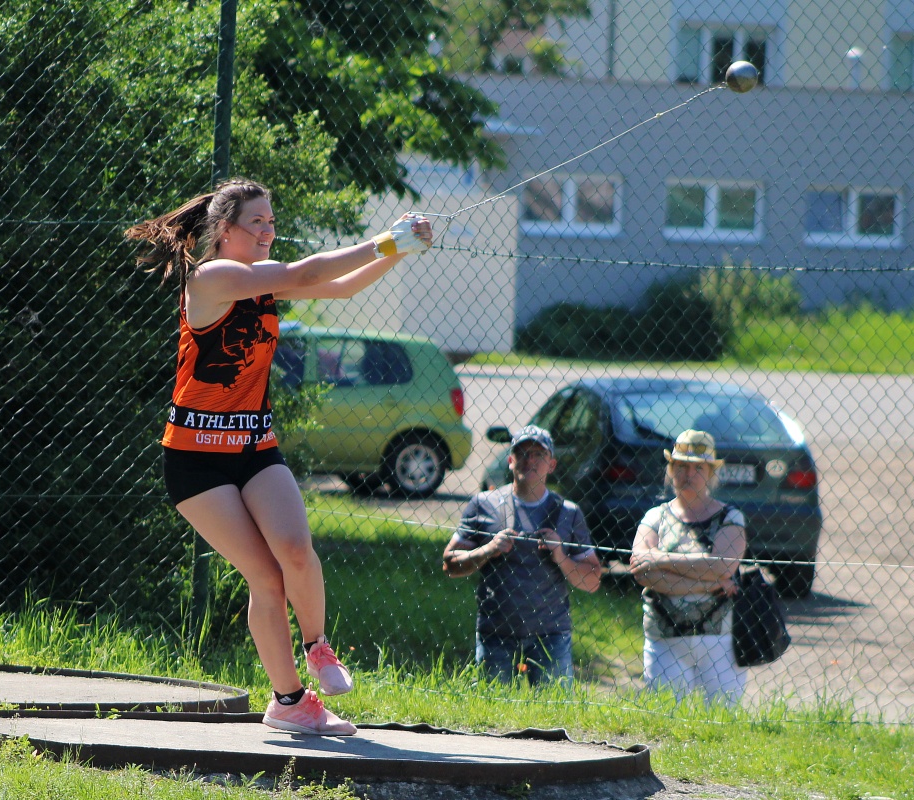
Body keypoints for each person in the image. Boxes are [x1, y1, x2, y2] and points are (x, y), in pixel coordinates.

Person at [125, 178, 432, 736]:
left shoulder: (259, 283)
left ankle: (318, 647)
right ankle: (289, 701)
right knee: (265, 577)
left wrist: (401, 252)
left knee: (295, 548)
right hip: (195, 461)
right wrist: (386, 241)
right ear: (224, 230)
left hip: (254, 447)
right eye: (257, 222)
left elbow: (337, 288)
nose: (269, 230)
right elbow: (306, 273)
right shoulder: (214, 276)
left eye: (272, 221)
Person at [442, 425, 602, 685]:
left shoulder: (568, 513)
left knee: (556, 717)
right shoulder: (483, 504)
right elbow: (450, 564)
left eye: (538, 455)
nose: (529, 461)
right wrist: (488, 549)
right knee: (490, 716)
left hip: (552, 635)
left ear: (551, 464)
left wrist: (560, 556)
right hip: (495, 631)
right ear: (510, 461)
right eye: (522, 453)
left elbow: (593, 580)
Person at [630, 429, 748, 707]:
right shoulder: (655, 516)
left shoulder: (730, 517)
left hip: (719, 640)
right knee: (665, 719)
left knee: (722, 720)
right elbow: (641, 570)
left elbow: (723, 565)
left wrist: (660, 559)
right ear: (671, 470)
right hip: (664, 637)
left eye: (698, 468)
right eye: (681, 466)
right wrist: (708, 583)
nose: (688, 474)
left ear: (710, 473)